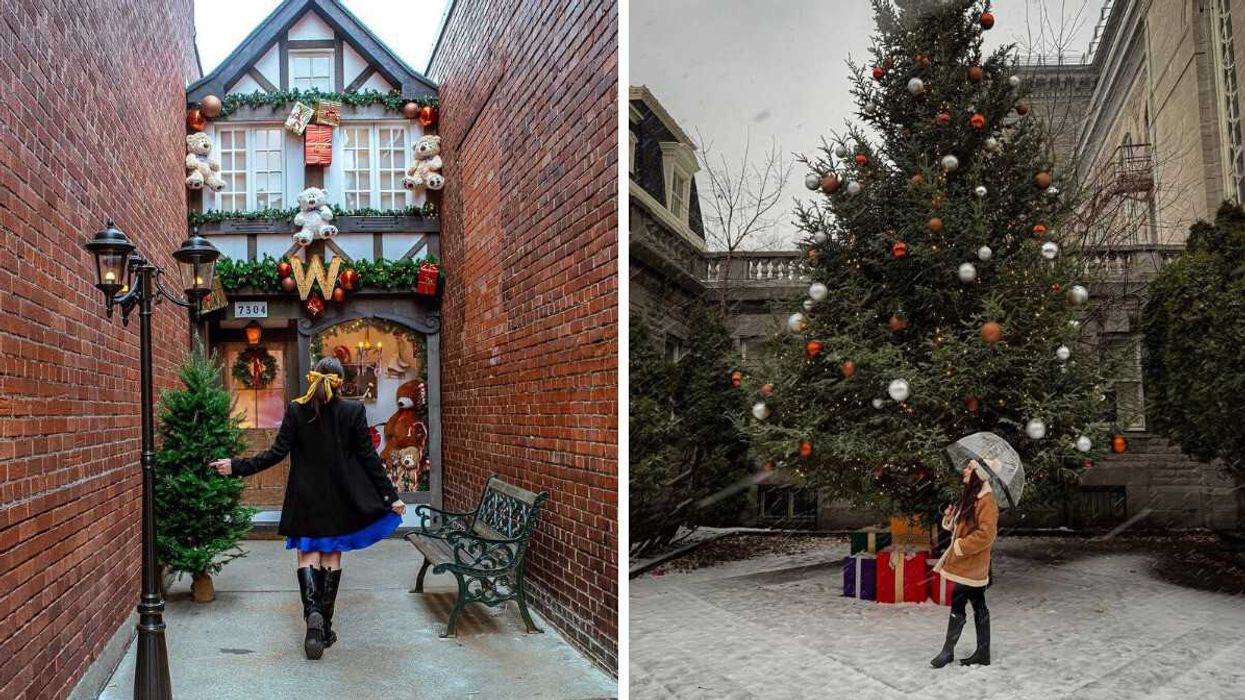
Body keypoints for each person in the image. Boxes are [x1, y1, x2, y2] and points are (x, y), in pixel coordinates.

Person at [210, 358, 407, 660]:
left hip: (305, 498)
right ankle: (324, 625)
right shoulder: (353, 411)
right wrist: (391, 496)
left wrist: (236, 466)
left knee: (308, 555)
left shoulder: (296, 410)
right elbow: (369, 459)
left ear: (312, 379)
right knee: (331, 555)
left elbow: (276, 454)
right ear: (340, 383)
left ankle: (312, 616)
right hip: (340, 499)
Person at [929, 458, 999, 668]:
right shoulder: (970, 496)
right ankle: (981, 652)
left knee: (961, 600)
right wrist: (950, 518)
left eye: (969, 468)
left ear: (979, 474)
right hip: (967, 564)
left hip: (973, 563)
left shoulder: (987, 500)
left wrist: (960, 546)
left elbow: (986, 535)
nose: (965, 470)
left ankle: (948, 652)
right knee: (977, 604)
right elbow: (962, 526)